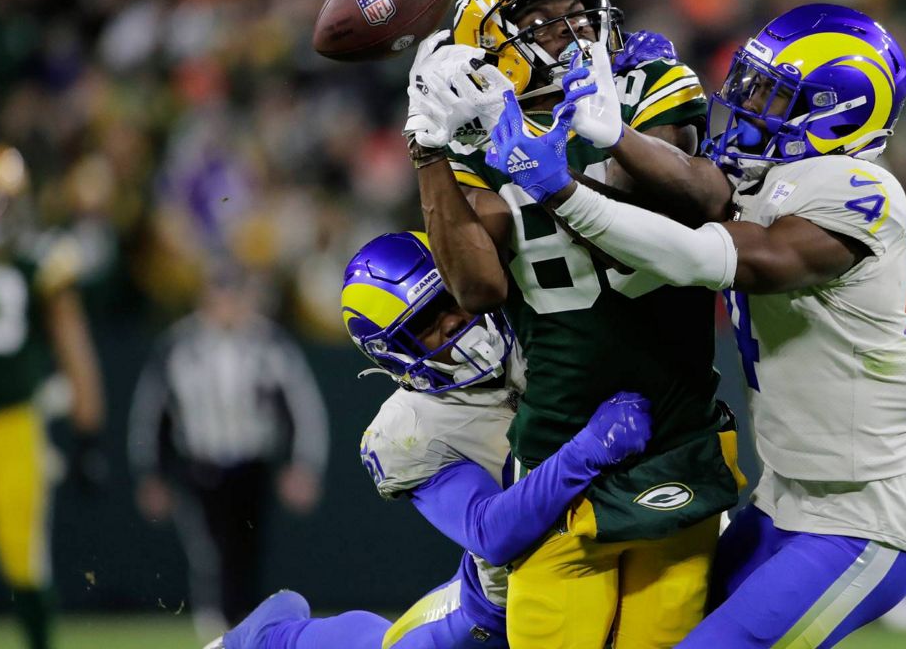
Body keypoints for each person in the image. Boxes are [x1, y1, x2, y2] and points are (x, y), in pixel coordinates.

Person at [489, 3, 906, 647]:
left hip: (859, 519)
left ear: (841, 109)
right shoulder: (773, 173)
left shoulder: (861, 192)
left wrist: (563, 190)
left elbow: (711, 254)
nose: (750, 101)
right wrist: (617, 136)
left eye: (775, 93)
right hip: (783, 499)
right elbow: (698, 189)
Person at [404, 0, 742, 649]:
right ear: (492, 37)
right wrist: (430, 153)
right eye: (545, 17)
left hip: (675, 437)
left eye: (578, 9)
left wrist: (569, 152)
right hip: (559, 448)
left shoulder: (645, 77)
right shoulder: (468, 134)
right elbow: (477, 286)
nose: (574, 29)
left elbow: (674, 212)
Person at [206, 231, 652, 649]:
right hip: (502, 607)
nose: (455, 321)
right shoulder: (412, 428)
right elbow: (490, 532)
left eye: (451, 296)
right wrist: (587, 450)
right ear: (394, 352)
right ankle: (274, 636)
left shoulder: (530, 320)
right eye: (425, 322)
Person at [127, 267, 329, 638]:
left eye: (233, 296)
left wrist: (303, 465)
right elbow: (151, 414)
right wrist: (149, 473)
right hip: (201, 464)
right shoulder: (179, 345)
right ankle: (216, 630)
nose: (227, 306)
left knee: (246, 553)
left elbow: (302, 408)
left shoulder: (268, 343)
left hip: (251, 464)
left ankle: (244, 631)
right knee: (209, 552)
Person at [0, 141, 105, 649]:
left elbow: (74, 349)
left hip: (15, 424)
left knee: (24, 558)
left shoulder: (38, 264)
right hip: (15, 425)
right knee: (24, 558)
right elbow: (77, 353)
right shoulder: (35, 261)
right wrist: (87, 433)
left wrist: (87, 431)